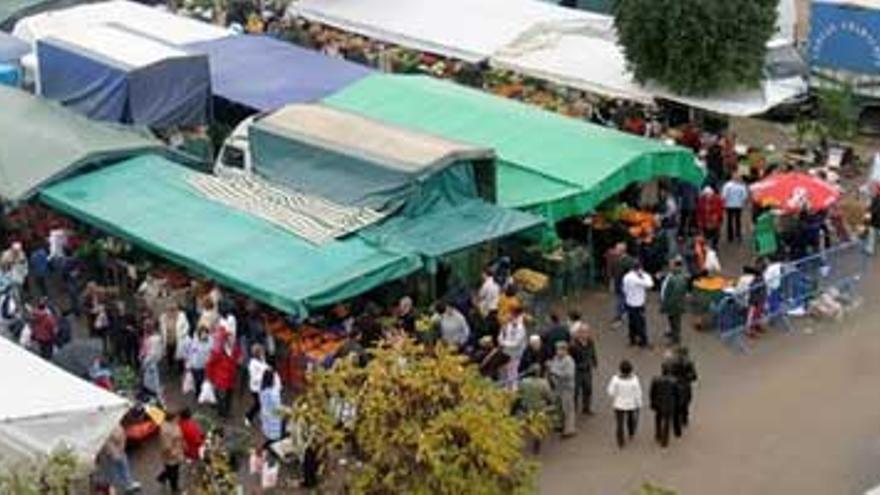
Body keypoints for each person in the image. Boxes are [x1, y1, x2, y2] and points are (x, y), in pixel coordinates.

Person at [515, 364, 556, 453]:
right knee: (538, 426)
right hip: (539, 407)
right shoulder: (543, 383)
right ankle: (536, 446)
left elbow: (519, 394)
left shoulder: (523, 382)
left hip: (526, 407)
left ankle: (518, 444)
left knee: (523, 425)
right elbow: (549, 396)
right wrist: (551, 402)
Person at [607, 360, 642, 448]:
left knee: (619, 423)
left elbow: (610, 392)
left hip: (619, 404)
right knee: (630, 419)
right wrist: (639, 404)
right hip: (631, 404)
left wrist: (616, 395)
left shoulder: (615, 379)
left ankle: (620, 441)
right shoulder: (634, 379)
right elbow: (638, 393)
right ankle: (631, 433)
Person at [205, 330, 241, 418]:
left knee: (229, 396)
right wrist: (209, 377)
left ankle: (226, 411)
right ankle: (222, 413)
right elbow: (209, 364)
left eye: (234, 339)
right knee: (221, 397)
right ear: (226, 340)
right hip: (220, 378)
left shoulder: (235, 349)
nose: (233, 341)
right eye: (231, 339)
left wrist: (239, 360)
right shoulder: (218, 351)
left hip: (231, 378)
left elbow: (238, 357)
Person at [547, 341, 577, 438]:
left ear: (565, 350)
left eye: (560, 349)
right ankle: (559, 425)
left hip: (567, 388)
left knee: (567, 408)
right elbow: (553, 368)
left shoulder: (569, 361)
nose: (557, 351)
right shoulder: (556, 358)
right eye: (557, 349)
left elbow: (569, 375)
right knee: (558, 407)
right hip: (558, 387)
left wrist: (554, 371)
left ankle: (569, 429)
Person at [622, 262, 654, 348]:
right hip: (638, 304)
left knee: (632, 323)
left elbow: (624, 290)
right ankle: (644, 341)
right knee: (641, 323)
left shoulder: (627, 276)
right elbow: (650, 284)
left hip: (629, 303)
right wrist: (644, 275)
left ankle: (632, 340)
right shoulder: (635, 279)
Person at [101, 424, 140, 493]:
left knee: (118, 470)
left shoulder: (105, 427)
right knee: (120, 470)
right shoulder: (111, 427)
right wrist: (123, 436)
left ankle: (126, 485)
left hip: (112, 452)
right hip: (115, 452)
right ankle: (125, 486)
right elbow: (118, 436)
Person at [666, 347, 699, 429]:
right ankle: (684, 418)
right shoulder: (689, 363)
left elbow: (668, 374)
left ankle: (677, 418)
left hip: (675, 385)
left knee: (676, 402)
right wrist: (688, 377)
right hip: (685, 385)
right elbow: (694, 376)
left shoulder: (672, 363)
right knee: (685, 403)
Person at [649, 363, 680, 447]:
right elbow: (676, 394)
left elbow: (652, 393)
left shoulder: (655, 380)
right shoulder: (674, 381)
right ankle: (665, 440)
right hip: (669, 404)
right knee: (667, 422)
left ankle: (658, 434)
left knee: (658, 419)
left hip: (658, 403)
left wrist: (652, 402)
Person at [570, 323, 598, 415]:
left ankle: (586, 408)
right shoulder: (573, 345)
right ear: (578, 333)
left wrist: (594, 362)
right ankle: (573, 409)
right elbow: (570, 358)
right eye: (582, 332)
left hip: (587, 369)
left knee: (588, 388)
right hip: (577, 370)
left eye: (586, 332)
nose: (585, 334)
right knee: (576, 390)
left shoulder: (590, 342)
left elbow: (593, 352)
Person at [660, 258, 689, 344]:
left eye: (671, 265)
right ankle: (673, 333)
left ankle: (675, 339)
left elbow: (676, 295)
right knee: (672, 320)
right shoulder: (672, 275)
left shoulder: (678, 279)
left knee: (675, 322)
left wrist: (666, 305)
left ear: (676, 266)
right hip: (672, 304)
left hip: (674, 305)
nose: (669, 267)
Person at [498, 306, 527, 388]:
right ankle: (506, 387)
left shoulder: (521, 329)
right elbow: (501, 336)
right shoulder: (507, 326)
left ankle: (514, 388)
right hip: (506, 353)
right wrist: (502, 338)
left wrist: (504, 343)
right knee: (505, 371)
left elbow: (516, 343)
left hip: (516, 354)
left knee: (513, 372)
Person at [157, 412, 184, 493]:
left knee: (172, 470)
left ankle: (162, 477)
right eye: (177, 417)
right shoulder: (165, 430)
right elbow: (166, 446)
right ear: (172, 418)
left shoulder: (174, 424)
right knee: (174, 473)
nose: (179, 418)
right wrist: (173, 454)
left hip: (177, 451)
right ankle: (174, 488)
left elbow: (179, 436)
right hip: (171, 454)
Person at [160, 303, 190, 375]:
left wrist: (183, 334)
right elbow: (162, 328)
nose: (170, 312)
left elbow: (187, 326)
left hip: (178, 339)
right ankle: (170, 368)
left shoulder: (181, 316)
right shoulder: (163, 317)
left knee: (180, 355)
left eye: (172, 310)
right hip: (168, 339)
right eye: (169, 310)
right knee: (169, 354)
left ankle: (181, 370)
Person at [259, 368, 284, 449]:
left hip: (265, 413)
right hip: (274, 416)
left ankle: (267, 445)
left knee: (268, 432)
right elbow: (278, 407)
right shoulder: (274, 393)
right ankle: (270, 447)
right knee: (275, 436)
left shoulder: (262, 388)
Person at [245, 344, 269, 426]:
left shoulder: (262, 360)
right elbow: (254, 377)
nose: (263, 353)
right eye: (261, 352)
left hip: (262, 387)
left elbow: (265, 367)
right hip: (256, 388)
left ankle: (262, 417)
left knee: (263, 403)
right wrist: (264, 375)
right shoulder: (253, 364)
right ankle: (248, 416)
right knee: (258, 404)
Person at [185, 325, 212, 396]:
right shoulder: (195, 342)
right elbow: (190, 353)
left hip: (205, 365)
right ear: (199, 334)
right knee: (198, 380)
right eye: (203, 334)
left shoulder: (210, 342)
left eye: (206, 333)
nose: (204, 335)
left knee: (203, 380)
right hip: (196, 365)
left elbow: (211, 352)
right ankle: (198, 392)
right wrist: (188, 364)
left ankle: (201, 392)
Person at [140, 324, 164, 402]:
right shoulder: (153, 338)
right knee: (153, 380)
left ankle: (158, 399)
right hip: (153, 361)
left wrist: (144, 362)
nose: (144, 331)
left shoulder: (153, 340)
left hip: (151, 363)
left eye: (145, 329)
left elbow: (152, 353)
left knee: (153, 381)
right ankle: (156, 396)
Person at [721, 175, 749, 243]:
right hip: (738, 205)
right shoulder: (741, 186)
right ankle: (738, 235)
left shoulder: (727, 185)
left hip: (729, 205)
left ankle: (730, 237)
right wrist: (743, 202)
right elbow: (745, 196)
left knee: (729, 220)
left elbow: (724, 195)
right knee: (738, 220)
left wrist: (724, 202)